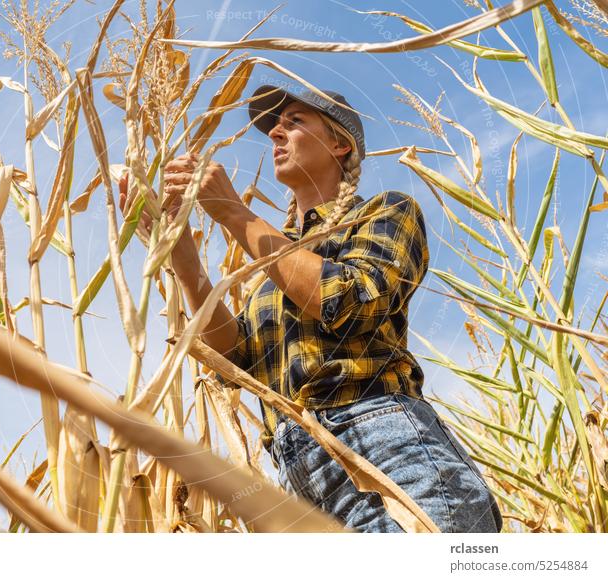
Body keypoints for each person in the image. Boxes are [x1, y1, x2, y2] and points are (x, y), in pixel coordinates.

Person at [118, 84, 503, 533]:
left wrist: (233, 214)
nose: (276, 133)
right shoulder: (272, 273)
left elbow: (347, 300)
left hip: (386, 451)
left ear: (341, 144)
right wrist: (183, 258)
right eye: (274, 127)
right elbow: (232, 360)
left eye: (294, 122)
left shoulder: (384, 213)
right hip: (299, 483)